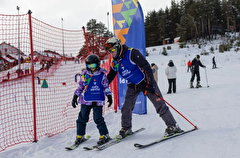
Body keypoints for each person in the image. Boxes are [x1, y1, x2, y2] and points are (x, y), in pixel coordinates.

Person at [105, 37, 183, 138]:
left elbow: (146, 67)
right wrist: (102, 87)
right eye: (110, 51)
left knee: (159, 104)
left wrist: (150, 84)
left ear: (118, 47)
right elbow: (110, 77)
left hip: (146, 82)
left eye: (113, 50)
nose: (112, 53)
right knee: (126, 108)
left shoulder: (132, 53)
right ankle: (126, 128)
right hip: (133, 85)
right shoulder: (114, 62)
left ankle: (172, 126)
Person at [71, 54, 113, 146]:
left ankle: (104, 134)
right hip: (86, 100)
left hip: (98, 100)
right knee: (82, 118)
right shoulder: (85, 75)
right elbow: (80, 87)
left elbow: (106, 87)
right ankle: (80, 135)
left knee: (98, 118)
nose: (91, 68)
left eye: (93, 66)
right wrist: (75, 96)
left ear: (97, 64)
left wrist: (109, 96)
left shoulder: (102, 76)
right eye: (89, 66)